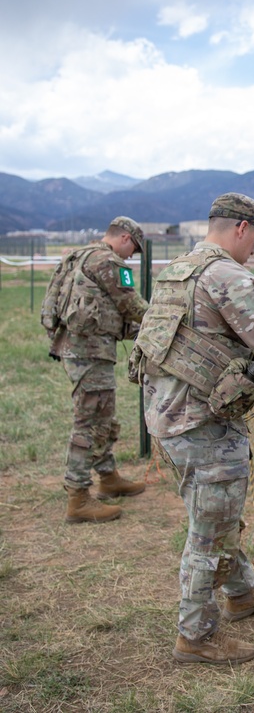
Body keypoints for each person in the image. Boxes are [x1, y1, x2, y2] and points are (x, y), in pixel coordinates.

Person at [135, 192, 254, 664]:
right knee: (209, 530)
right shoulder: (229, 275)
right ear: (241, 229)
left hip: (169, 418)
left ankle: (242, 591)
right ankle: (196, 634)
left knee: (217, 514)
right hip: (204, 424)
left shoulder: (178, 270)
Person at [46, 216, 149, 523]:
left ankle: (108, 477)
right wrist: (163, 318)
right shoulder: (109, 262)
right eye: (134, 250)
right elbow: (131, 305)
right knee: (90, 419)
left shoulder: (82, 255)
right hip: (89, 350)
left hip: (81, 347)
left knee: (102, 414)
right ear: (126, 239)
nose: (132, 256)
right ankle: (78, 497)